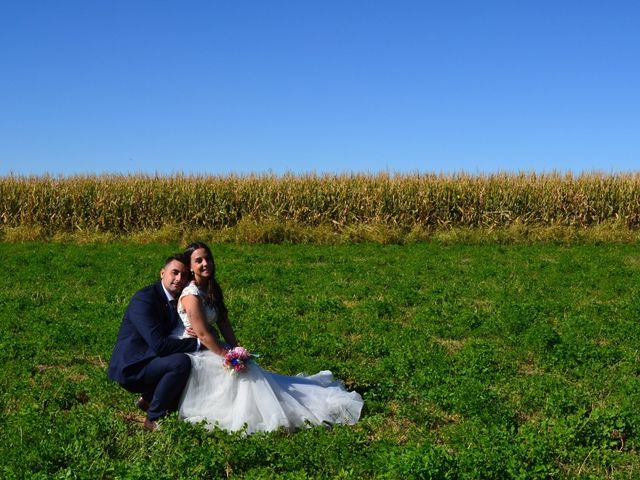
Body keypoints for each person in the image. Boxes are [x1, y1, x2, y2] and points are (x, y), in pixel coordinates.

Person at [176, 241, 363, 434]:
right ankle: (255, 415)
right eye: (199, 261)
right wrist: (227, 355)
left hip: (213, 344)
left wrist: (237, 348)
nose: (205, 263)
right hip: (197, 347)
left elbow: (223, 322)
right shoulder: (192, 295)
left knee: (251, 370)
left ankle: (274, 405)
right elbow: (203, 334)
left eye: (208, 258)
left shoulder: (211, 288)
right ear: (190, 267)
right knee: (244, 377)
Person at [108, 254, 200, 431]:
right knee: (180, 363)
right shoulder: (145, 299)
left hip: (152, 358)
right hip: (134, 365)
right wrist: (196, 344)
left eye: (184, 275)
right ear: (162, 273)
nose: (179, 279)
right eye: (174, 273)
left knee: (192, 360)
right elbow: (160, 345)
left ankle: (149, 399)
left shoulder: (180, 298)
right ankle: (153, 418)